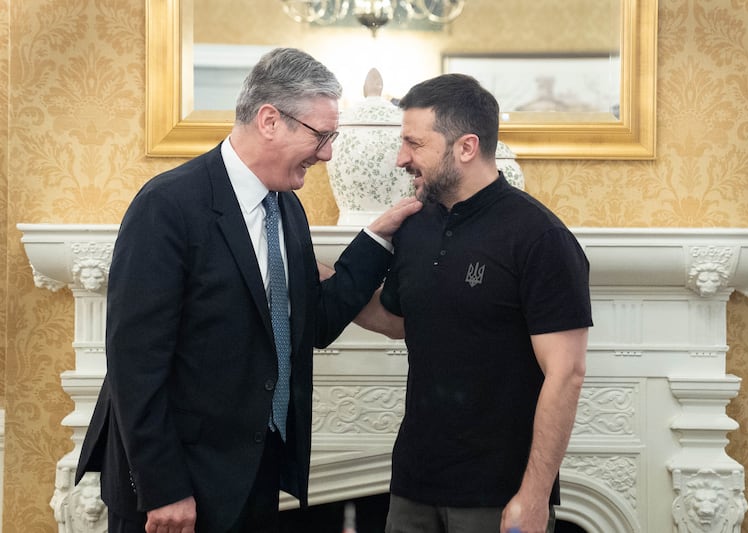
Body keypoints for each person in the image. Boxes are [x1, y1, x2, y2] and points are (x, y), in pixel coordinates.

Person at [75, 48, 422, 533]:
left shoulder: (287, 208)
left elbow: (312, 325)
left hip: (252, 474)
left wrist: (377, 237)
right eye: (322, 136)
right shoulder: (168, 206)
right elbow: (135, 364)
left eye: (332, 138)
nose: (326, 154)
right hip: (176, 487)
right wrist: (165, 488)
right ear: (270, 120)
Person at [355, 74, 593, 533]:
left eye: (413, 143)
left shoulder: (541, 238)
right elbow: (398, 319)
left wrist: (535, 495)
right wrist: (325, 281)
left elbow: (566, 373)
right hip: (413, 485)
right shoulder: (415, 224)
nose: (401, 158)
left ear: (466, 147)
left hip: (499, 495)